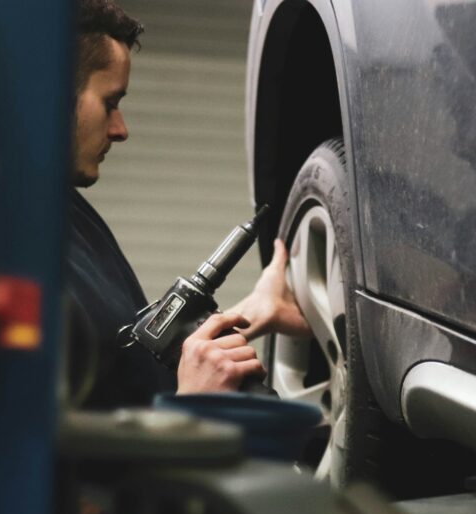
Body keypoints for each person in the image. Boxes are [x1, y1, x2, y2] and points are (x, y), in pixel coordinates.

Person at [67, 0, 306, 408]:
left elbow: (125, 369)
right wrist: (193, 403)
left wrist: (253, 311)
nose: (120, 129)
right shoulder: (1, 244)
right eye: (110, 102)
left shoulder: (68, 214)